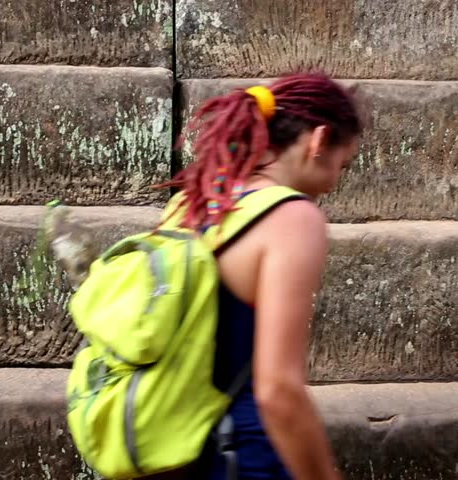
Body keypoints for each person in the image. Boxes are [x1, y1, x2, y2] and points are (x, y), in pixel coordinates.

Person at [160, 73, 366, 480]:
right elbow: (277, 391)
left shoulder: (193, 202)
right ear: (318, 141)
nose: (333, 183)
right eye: (342, 166)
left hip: (177, 444)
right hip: (244, 453)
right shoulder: (292, 218)